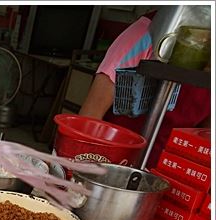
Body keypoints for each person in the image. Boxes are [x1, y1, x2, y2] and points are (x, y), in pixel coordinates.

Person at [78, 10, 210, 169]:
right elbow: (89, 117)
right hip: (111, 166)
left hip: (167, 175)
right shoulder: (146, 34)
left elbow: (204, 137)